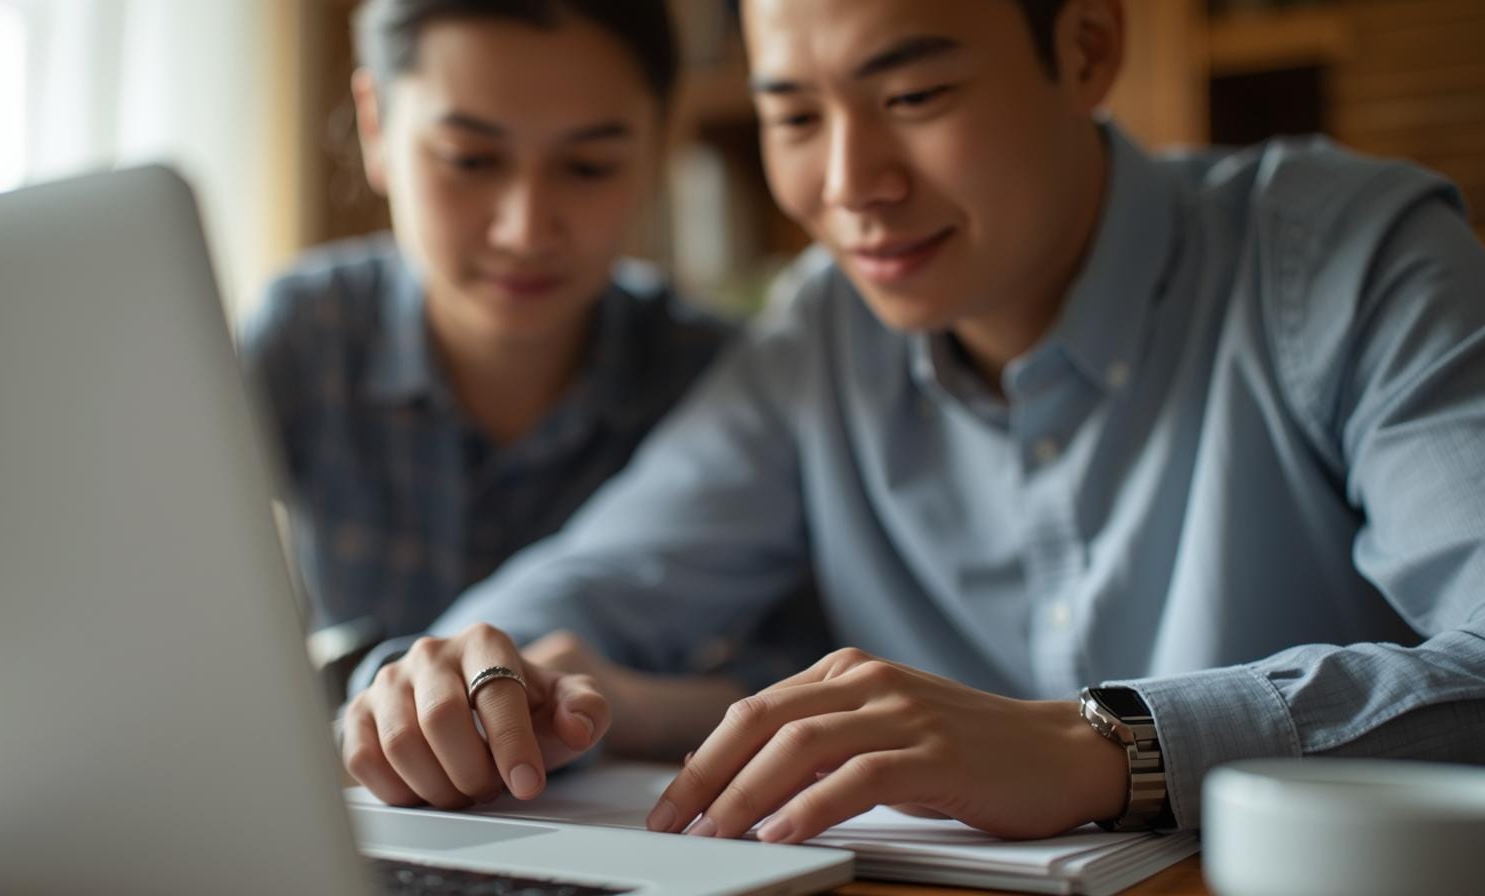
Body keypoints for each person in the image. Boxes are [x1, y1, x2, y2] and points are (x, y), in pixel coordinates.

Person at [343, 0, 1485, 842]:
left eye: (913, 97)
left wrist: (1102, 744)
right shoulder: (817, 339)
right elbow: (593, 584)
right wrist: (446, 678)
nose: (849, 182)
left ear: (1086, 47)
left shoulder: (1348, 260)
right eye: (791, 114)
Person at [243, 0, 830, 717]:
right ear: (376, 126)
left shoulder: (720, 381)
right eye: (471, 160)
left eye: (588, 166)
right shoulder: (310, 336)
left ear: (662, 145)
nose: (525, 227)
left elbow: (804, 668)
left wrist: (599, 708)